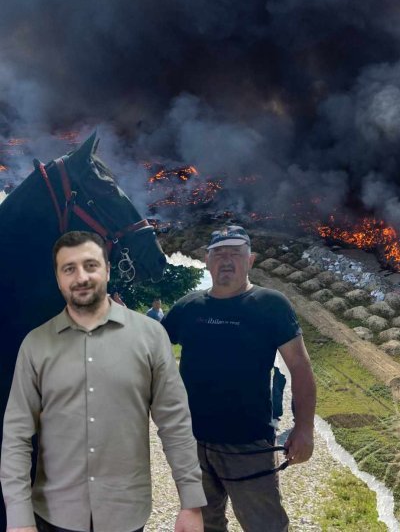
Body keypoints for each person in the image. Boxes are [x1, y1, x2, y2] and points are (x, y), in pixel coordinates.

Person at [1, 231, 205, 532]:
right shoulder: (35, 344)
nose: (80, 277)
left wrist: (191, 503)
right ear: (58, 279)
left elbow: (175, 422)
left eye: (90, 265)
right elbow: (16, 435)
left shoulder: (150, 337)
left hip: (126, 515)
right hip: (54, 515)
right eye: (69, 269)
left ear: (108, 270)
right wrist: (18, 518)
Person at [162, 225, 316, 532]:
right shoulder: (188, 306)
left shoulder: (270, 304)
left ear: (251, 260)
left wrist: (305, 428)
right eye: (219, 253)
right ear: (207, 261)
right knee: (204, 524)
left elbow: (299, 367)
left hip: (248, 444)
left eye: (236, 252)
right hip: (191, 442)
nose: (227, 260)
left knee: (265, 526)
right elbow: (150, 346)